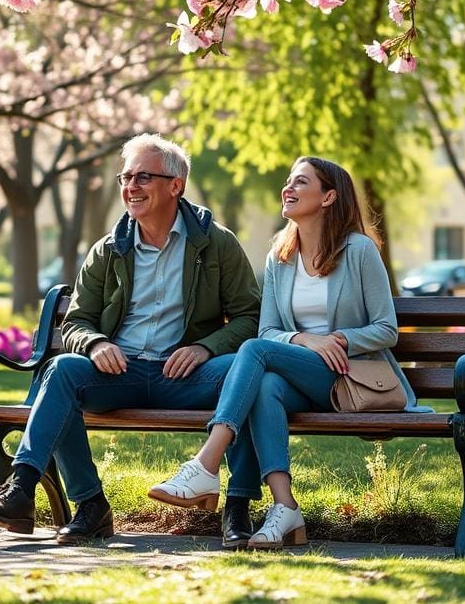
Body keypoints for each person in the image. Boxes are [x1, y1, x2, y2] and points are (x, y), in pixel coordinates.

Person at [0, 134, 263, 546]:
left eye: (144, 177)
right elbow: (76, 321)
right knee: (62, 370)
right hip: (120, 372)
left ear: (175, 185)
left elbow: (250, 317)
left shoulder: (217, 244)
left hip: (188, 376)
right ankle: (47, 497)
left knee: (247, 370)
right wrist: (94, 345)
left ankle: (238, 508)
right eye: (126, 177)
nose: (131, 187)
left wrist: (205, 347)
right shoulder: (108, 249)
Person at [148, 156, 422, 549]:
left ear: (329, 197)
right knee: (265, 386)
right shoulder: (281, 253)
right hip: (301, 375)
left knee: (254, 352)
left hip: (348, 378)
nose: (287, 189)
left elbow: (386, 329)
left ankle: (206, 464)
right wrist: (307, 340)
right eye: (288, 182)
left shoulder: (359, 250)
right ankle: (285, 507)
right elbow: (270, 330)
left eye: (300, 183)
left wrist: (339, 340)